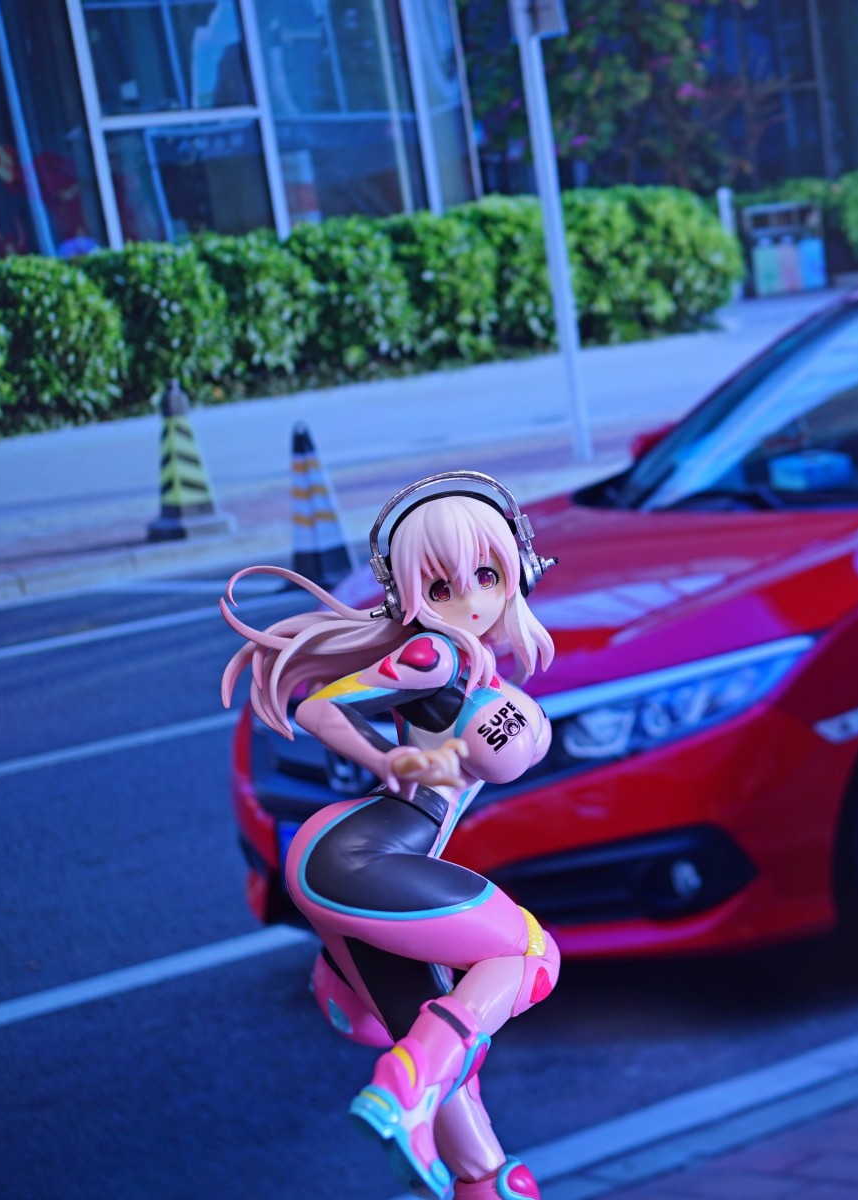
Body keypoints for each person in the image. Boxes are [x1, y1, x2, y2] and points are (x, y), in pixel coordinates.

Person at [221, 471, 560, 1200]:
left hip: (361, 854)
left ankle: (475, 1173)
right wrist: (385, 759)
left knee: (447, 1066)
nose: (471, 599)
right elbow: (319, 710)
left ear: (517, 570)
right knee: (531, 956)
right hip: (364, 850)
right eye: (441, 587)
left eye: (487, 575)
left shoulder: (468, 661)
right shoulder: (436, 657)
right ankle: (406, 1089)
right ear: (410, 596)